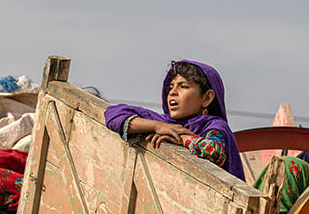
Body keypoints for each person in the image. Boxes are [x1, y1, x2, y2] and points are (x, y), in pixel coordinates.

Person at [104, 60, 246, 179]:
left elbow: (214, 152)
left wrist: (182, 138)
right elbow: (113, 115)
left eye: (183, 86)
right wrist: (157, 126)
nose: (172, 92)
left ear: (206, 98)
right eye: (171, 87)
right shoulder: (162, 122)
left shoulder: (213, 125)